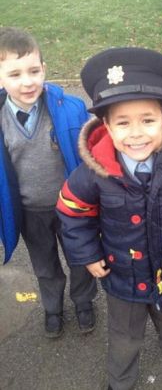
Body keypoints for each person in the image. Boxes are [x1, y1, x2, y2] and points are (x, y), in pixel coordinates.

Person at [56, 47, 162, 390]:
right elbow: (72, 212)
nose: (135, 134)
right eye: (122, 122)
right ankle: (121, 379)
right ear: (105, 125)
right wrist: (87, 255)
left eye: (148, 120)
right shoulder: (94, 173)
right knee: (124, 334)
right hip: (123, 273)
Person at [0, 27, 97, 338]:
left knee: (81, 259)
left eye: (33, 70)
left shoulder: (70, 109)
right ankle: (52, 308)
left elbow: (91, 156)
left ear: (44, 68)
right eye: (14, 74)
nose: (27, 81)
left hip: (71, 208)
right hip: (30, 212)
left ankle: (84, 302)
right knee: (45, 266)